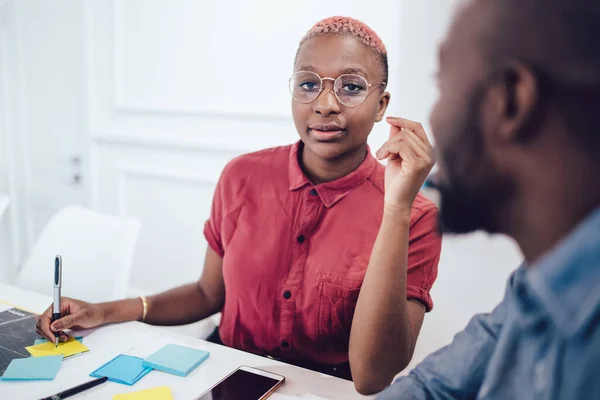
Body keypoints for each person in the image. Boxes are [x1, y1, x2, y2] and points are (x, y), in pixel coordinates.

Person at [36, 16, 441, 394]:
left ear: (382, 106)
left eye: (350, 87)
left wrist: (396, 209)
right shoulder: (242, 176)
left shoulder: (415, 216)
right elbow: (207, 293)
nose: (325, 104)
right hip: (225, 374)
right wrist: (104, 311)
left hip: (321, 390)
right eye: (308, 84)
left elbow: (372, 377)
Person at [378, 0, 600, 398]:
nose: (435, 116)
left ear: (510, 101)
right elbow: (434, 386)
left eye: (442, 85)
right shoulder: (536, 284)